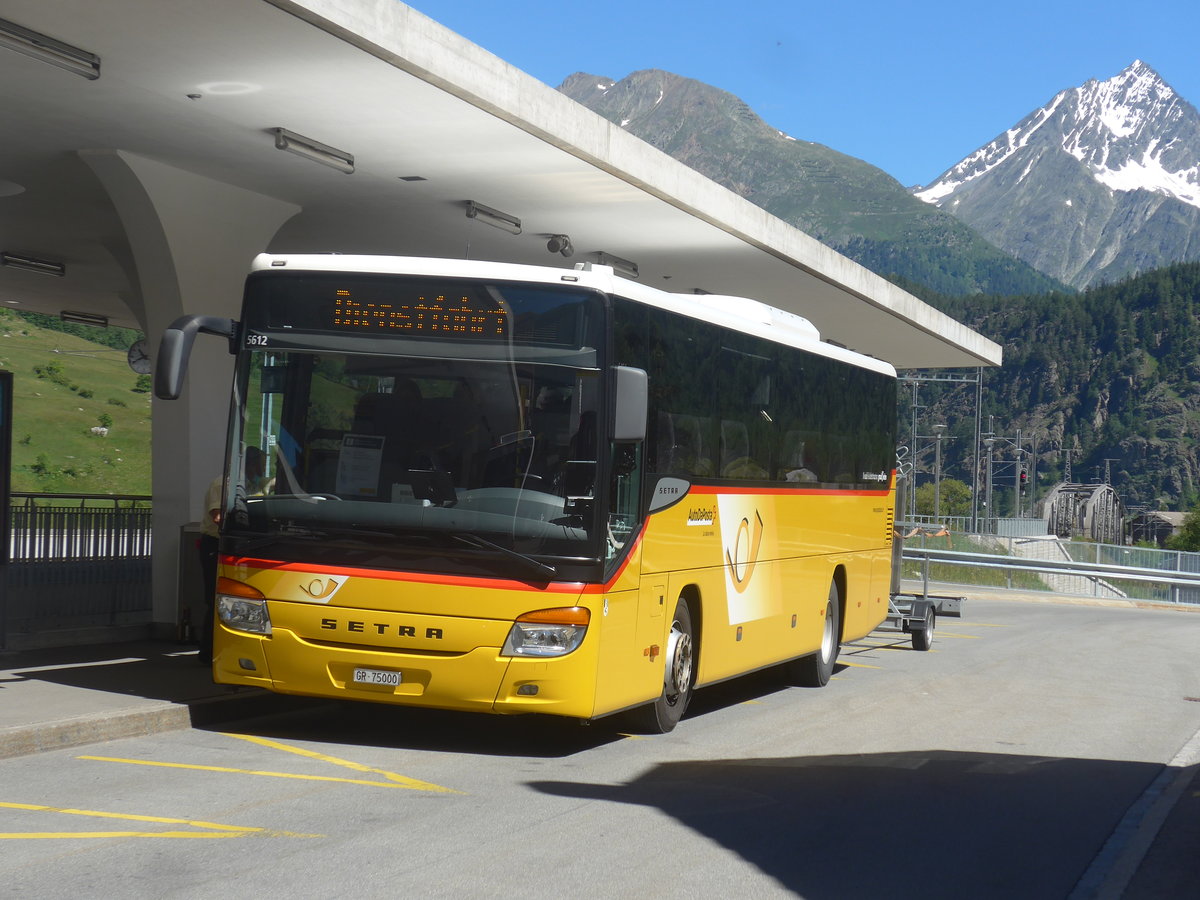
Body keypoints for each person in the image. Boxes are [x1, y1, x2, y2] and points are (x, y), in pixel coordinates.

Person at [197, 474, 222, 665]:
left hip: (220, 545)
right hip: (214, 544)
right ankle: (207, 653)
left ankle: (212, 651)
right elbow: (217, 517)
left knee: (218, 600)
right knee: (214, 600)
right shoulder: (221, 483)